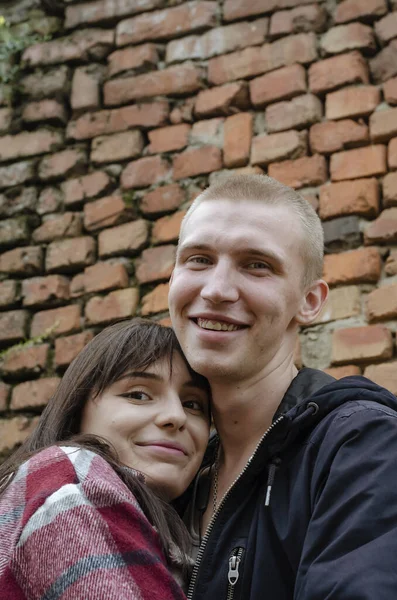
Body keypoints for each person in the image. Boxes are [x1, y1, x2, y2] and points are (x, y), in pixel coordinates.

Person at [168, 174, 397, 599]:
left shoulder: (364, 447)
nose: (216, 290)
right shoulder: (174, 469)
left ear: (309, 301)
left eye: (257, 265)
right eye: (198, 259)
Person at [0, 319, 210, 600]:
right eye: (138, 395)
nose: (175, 416)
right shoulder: (73, 481)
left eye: (193, 404)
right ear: (78, 413)